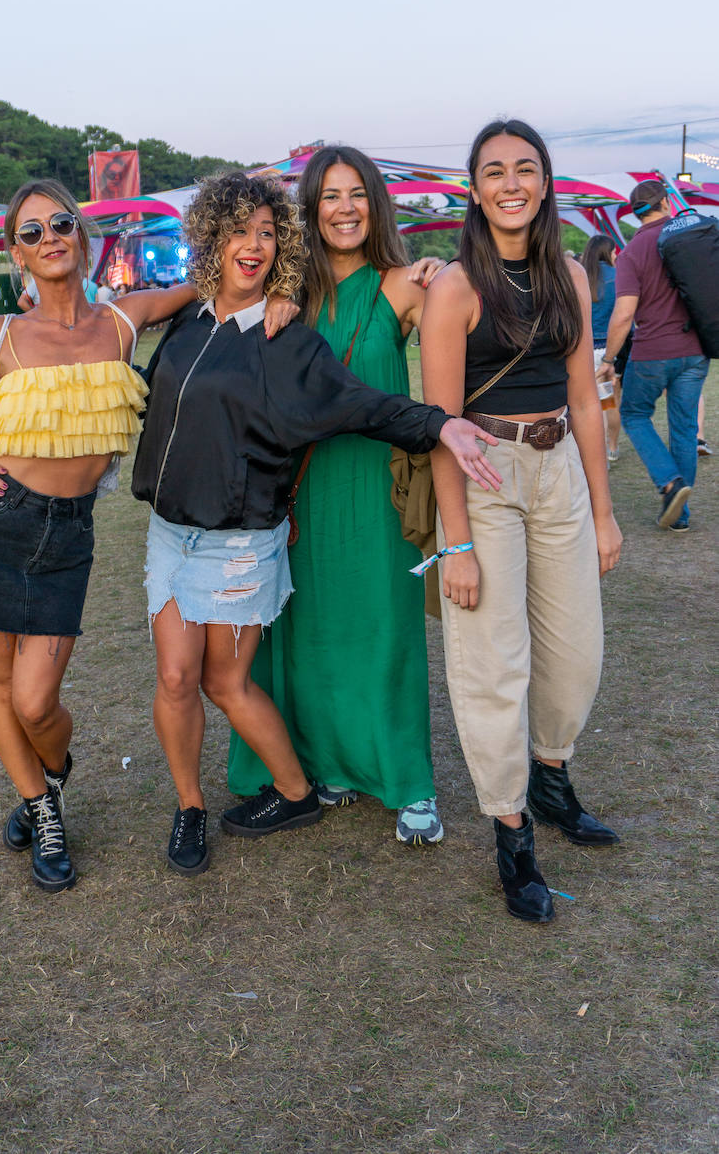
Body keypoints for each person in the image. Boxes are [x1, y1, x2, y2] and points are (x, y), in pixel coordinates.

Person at [131, 171, 502, 877]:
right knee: (176, 678)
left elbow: (363, 402)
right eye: (239, 230)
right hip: (171, 533)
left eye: (268, 234)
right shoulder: (190, 320)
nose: (253, 245)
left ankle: (300, 790)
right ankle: (189, 808)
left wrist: (440, 424)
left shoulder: (287, 337)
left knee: (225, 681)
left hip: (241, 533)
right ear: (211, 235)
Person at [0, 179, 212, 894]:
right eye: (31, 232)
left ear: (82, 235)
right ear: (17, 254)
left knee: (38, 702)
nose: (48, 238)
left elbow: (211, 284)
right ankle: (43, 810)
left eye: (59, 223)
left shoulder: (126, 320)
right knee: (2, 685)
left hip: (68, 535)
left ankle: (51, 774)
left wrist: (280, 291)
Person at [420, 119, 622, 924]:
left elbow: (582, 398)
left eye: (526, 169)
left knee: (577, 650)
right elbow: (441, 425)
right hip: (485, 474)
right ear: (474, 189)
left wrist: (604, 513)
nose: (511, 182)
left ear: (545, 182)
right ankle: (512, 830)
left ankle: (552, 771)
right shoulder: (456, 288)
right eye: (495, 170)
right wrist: (457, 543)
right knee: (491, 663)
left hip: (560, 469)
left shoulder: (570, 273)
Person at [228, 144, 449, 846]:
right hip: (303, 492)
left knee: (385, 630)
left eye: (357, 193)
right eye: (329, 195)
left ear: (375, 203)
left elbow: (462, 328)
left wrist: (448, 272)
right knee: (310, 633)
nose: (345, 207)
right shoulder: (288, 299)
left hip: (378, 488)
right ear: (311, 210)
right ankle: (332, 765)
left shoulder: (406, 285)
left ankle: (410, 782)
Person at [597, 180, 709, 531]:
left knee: (633, 414)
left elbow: (625, 313)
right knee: (685, 427)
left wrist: (608, 360)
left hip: (652, 353)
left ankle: (670, 482)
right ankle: (680, 516)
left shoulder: (632, 252)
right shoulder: (691, 241)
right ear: (665, 202)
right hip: (695, 351)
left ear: (633, 212)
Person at [579, 232, 621, 462]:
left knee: (590, 402)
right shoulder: (618, 277)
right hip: (610, 351)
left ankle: (598, 452)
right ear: (608, 252)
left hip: (585, 351)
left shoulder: (579, 276)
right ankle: (611, 448)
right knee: (608, 402)